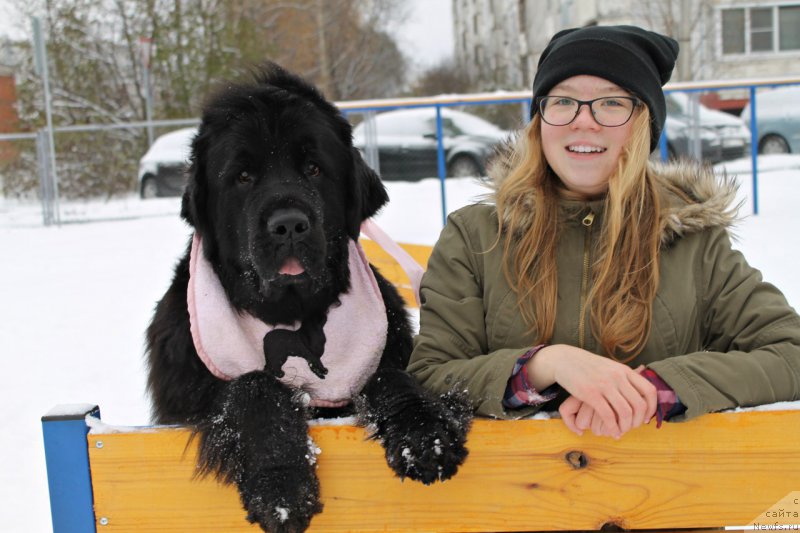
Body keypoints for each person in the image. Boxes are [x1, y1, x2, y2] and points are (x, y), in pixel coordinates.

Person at [407, 25, 800, 439]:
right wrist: (547, 365)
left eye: (611, 103)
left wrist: (652, 388)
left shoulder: (693, 242)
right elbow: (431, 375)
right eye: (563, 102)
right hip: (513, 496)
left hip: (661, 496)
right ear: (540, 120)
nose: (584, 121)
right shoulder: (475, 236)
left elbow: (790, 353)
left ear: (644, 123)